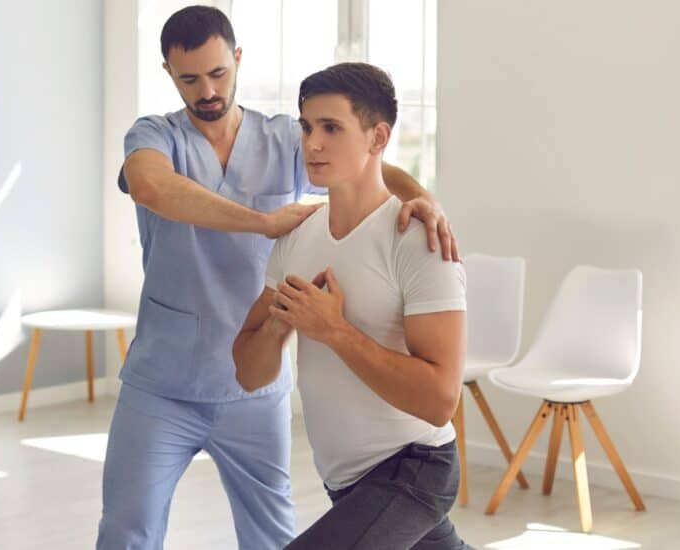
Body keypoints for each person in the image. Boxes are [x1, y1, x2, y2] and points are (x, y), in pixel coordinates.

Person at [97, 6, 460, 550]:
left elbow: (369, 162)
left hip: (255, 389)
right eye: (189, 78)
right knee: (128, 530)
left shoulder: (283, 138)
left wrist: (426, 202)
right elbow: (152, 188)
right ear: (168, 73)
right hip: (164, 383)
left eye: (218, 73)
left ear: (237, 59)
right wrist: (264, 221)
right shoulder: (154, 135)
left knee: (269, 536)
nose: (207, 90)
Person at [233, 62, 472, 549]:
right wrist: (282, 326)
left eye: (331, 128)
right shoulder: (296, 238)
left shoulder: (417, 241)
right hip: (347, 484)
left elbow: (440, 399)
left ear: (378, 137)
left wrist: (333, 331)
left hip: (414, 469)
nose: (312, 143)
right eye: (306, 127)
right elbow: (248, 372)